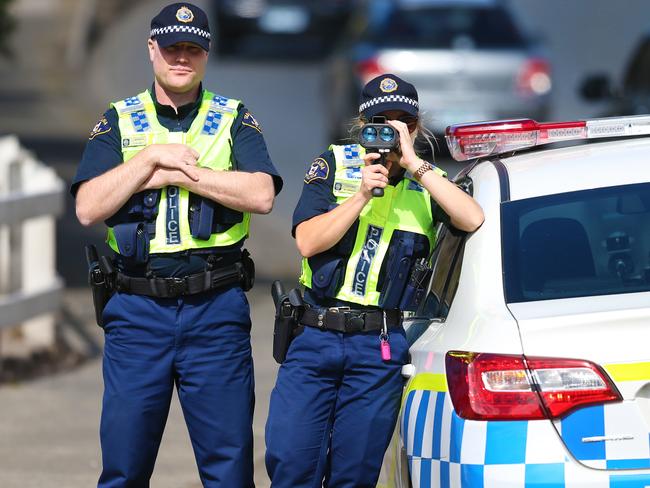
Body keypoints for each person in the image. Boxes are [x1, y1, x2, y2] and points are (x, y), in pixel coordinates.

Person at [71, 3, 282, 486]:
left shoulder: (234, 118)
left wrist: (185, 173)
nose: (181, 58)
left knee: (229, 469)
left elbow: (261, 195)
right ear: (151, 50)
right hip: (136, 312)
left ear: (206, 55)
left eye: (192, 49)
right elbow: (88, 206)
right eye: (172, 48)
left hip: (215, 309)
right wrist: (149, 159)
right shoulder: (119, 120)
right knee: (124, 467)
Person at [265, 74, 484, 487]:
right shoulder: (334, 164)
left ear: (417, 128)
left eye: (405, 122)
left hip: (376, 347)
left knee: (356, 474)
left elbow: (472, 217)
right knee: (291, 462)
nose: (392, 130)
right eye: (381, 122)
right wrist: (362, 194)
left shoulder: (426, 184)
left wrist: (414, 162)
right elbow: (308, 241)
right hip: (314, 334)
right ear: (361, 126)